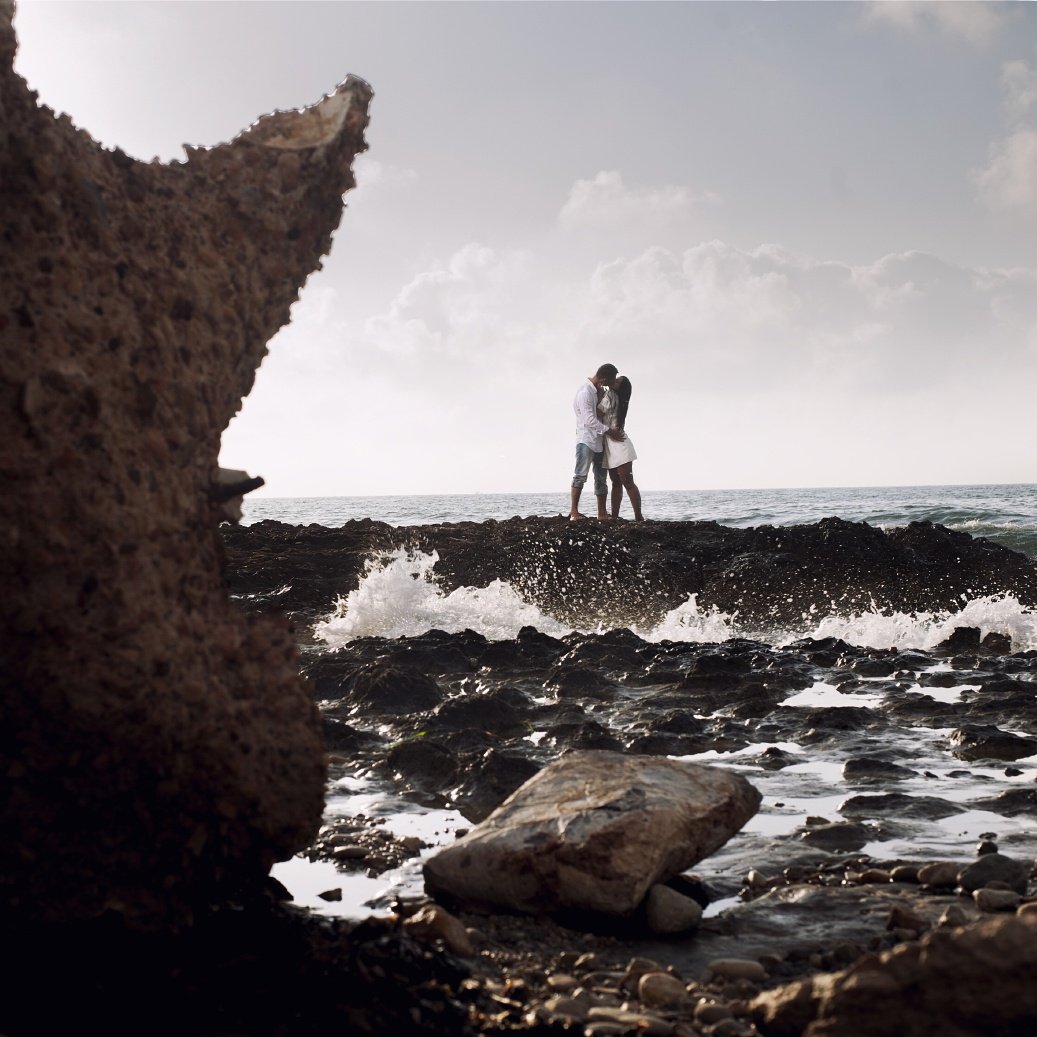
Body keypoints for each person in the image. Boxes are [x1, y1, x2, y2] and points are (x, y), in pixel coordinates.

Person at [569, 364, 625, 521]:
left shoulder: (597, 392)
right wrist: (610, 431)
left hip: (598, 441)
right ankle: (574, 512)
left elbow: (598, 412)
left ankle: (602, 513)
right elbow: (589, 420)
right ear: (604, 377)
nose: (612, 383)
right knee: (580, 475)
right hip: (585, 440)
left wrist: (602, 396)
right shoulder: (585, 393)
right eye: (612, 379)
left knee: (601, 477)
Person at [599, 374, 644, 521]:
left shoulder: (612, 396)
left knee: (627, 482)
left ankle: (638, 516)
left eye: (618, 381)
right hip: (610, 444)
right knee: (616, 482)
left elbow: (598, 411)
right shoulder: (612, 395)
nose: (614, 380)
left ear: (621, 387)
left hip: (620, 445)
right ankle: (616, 515)